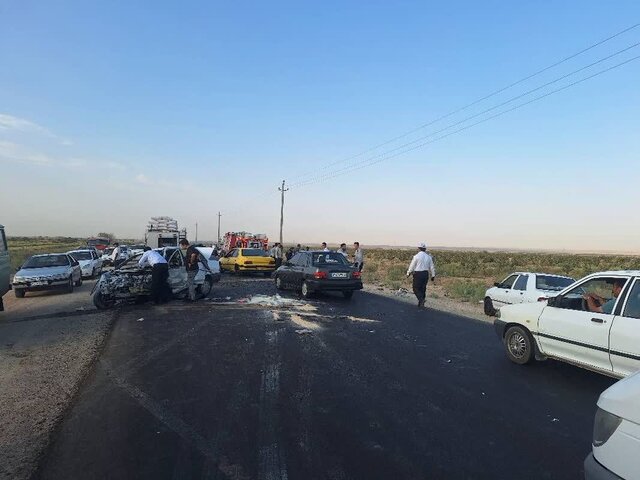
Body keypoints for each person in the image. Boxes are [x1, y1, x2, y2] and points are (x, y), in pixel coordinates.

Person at [406, 242, 436, 308]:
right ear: (425, 249)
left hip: (418, 274)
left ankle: (421, 300)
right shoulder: (429, 257)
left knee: (415, 288)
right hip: (425, 274)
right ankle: (421, 304)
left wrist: (408, 273)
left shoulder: (416, 256)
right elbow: (432, 267)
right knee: (423, 288)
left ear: (419, 249)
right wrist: (433, 275)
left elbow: (412, 266)